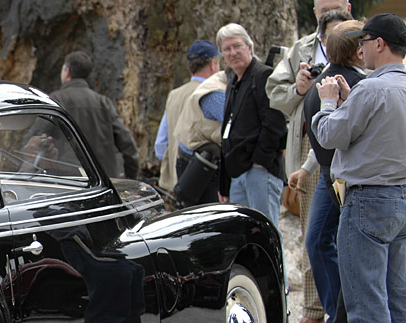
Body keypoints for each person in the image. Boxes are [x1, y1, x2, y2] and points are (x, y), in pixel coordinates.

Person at [312, 13, 406, 323]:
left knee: (365, 295)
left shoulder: (371, 89)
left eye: (364, 42)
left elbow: (330, 134)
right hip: (401, 195)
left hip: (368, 198)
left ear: (378, 43)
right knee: (397, 294)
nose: (361, 50)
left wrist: (328, 103)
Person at [267, 0, 352, 323]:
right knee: (311, 233)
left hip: (347, 146)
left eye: (335, 7)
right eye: (323, 10)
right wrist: (300, 88)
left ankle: (344, 319)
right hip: (309, 143)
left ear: (348, 7)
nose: (329, 14)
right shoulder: (300, 49)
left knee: (340, 234)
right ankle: (317, 311)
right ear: (314, 12)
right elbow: (275, 94)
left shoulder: (362, 41)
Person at [288, 13, 358, 323]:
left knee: (350, 250)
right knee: (317, 241)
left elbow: (339, 133)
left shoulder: (357, 84)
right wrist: (305, 167)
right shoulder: (331, 82)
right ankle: (337, 319)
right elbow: (325, 133)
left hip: (348, 178)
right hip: (331, 174)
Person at [216, 23, 286, 227]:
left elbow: (275, 124)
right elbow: (227, 132)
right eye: (227, 49)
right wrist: (225, 183)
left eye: (237, 46)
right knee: (244, 234)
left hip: (258, 170)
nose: (233, 52)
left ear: (249, 47)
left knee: (266, 231)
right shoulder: (233, 83)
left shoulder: (263, 75)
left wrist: (259, 160)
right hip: (238, 172)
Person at [48, 51, 139, 179]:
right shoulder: (104, 102)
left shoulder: (56, 100)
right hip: (103, 183)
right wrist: (130, 178)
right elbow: (128, 145)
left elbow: (35, 140)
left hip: (67, 182)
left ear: (67, 71)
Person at [155, 40, 222, 197]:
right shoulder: (212, 94)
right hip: (205, 180)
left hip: (177, 182)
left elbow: (160, 143)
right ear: (213, 64)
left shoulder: (174, 94)